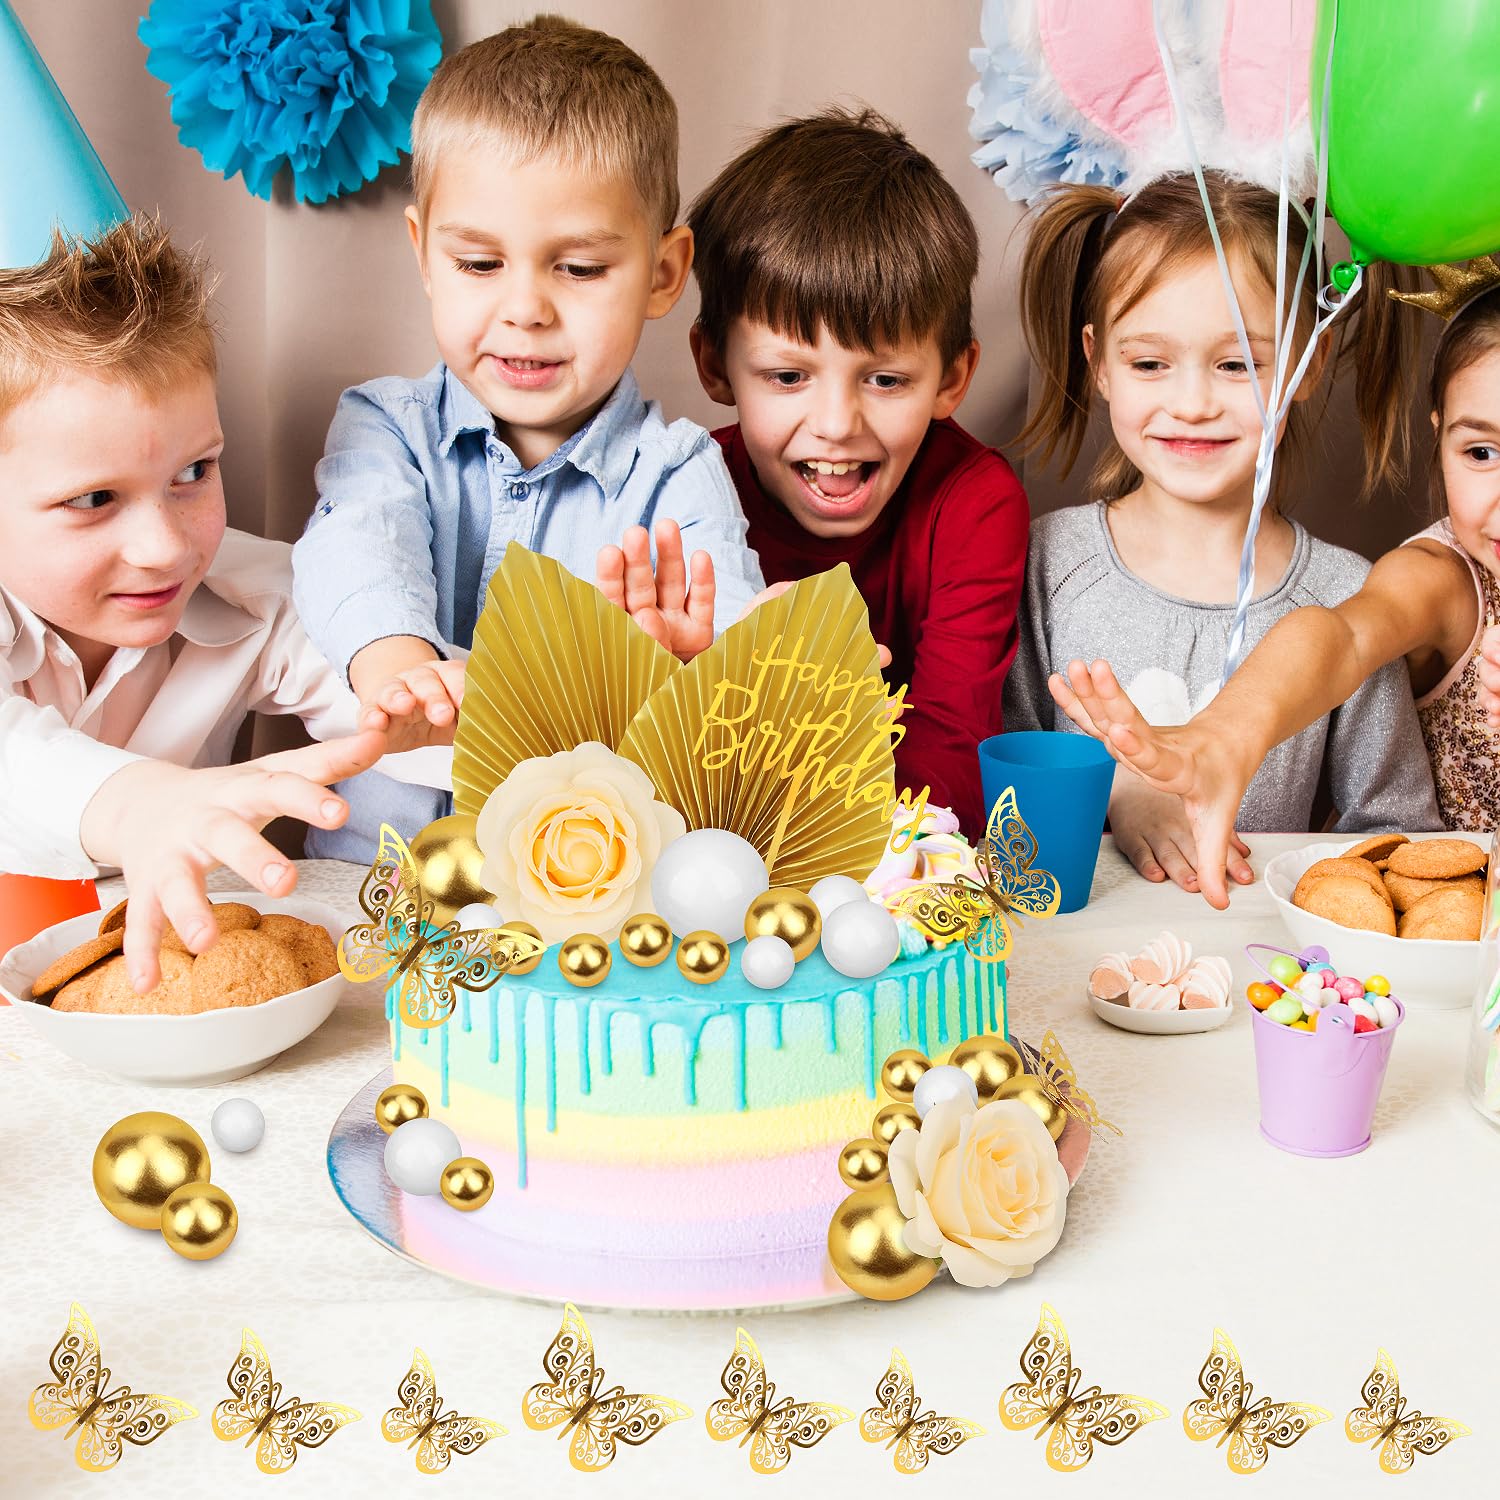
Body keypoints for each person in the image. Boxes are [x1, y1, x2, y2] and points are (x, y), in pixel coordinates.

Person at [292, 15, 765, 860]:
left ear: (663, 274)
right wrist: (412, 675)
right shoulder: (384, 424)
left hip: (585, 903)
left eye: (579, 269)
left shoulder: (680, 472)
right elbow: (357, 547)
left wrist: (732, 663)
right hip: (372, 882)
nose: (526, 308)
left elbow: (726, 631)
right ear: (425, 255)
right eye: (479, 263)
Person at [0, 216, 454, 990]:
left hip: (145, 987)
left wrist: (444, 704)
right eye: (94, 498)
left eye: (194, 472)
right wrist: (139, 804)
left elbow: (405, 712)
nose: (166, 547)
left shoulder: (252, 593)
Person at [1001, 171, 1440, 893]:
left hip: (1266, 982)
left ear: (1308, 363)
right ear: (1099, 362)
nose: (1193, 402)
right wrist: (1123, 793)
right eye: (1150, 363)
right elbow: (1004, 774)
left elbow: (1398, 832)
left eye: (1238, 363)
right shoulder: (1046, 562)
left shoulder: (1349, 596)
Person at [1050, 270, 1500, 907]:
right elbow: (1341, 633)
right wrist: (1220, 738)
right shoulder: (1443, 580)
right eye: (1482, 452)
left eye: (1235, 364)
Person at [684, 106, 1029, 835]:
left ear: (952, 378)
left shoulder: (975, 503)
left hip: (888, 878)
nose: (837, 423)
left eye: (886, 380)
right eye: (787, 377)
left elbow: (957, 773)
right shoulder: (686, 487)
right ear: (716, 366)